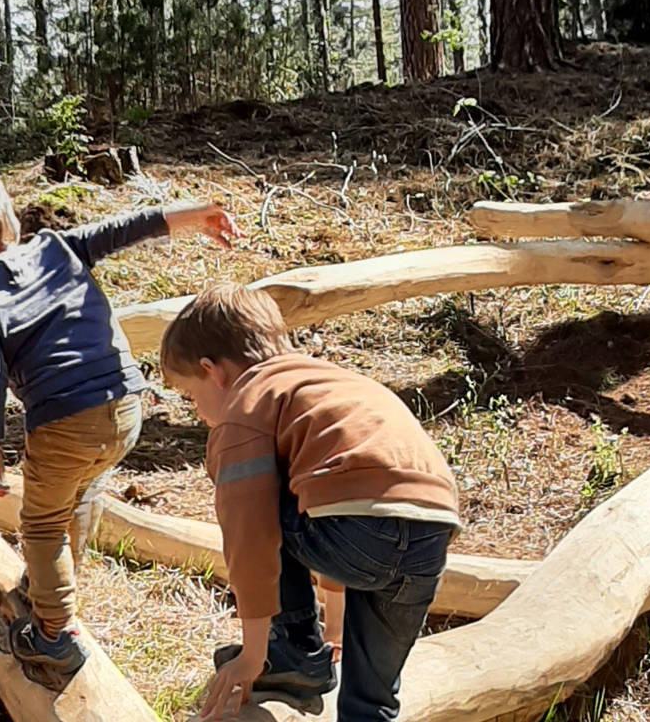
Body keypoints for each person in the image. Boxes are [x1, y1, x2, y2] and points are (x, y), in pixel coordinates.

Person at [0, 164, 238, 679]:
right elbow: (122, 229)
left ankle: (55, 634)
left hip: (65, 418)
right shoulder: (55, 248)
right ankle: (51, 588)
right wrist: (193, 214)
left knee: (41, 522)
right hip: (127, 405)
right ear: (12, 229)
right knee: (80, 495)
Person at [158, 284, 458, 722]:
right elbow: (349, 487)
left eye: (191, 396)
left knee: (255, 499)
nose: (200, 414)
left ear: (213, 371)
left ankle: (294, 654)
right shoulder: (331, 381)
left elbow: (252, 537)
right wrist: (334, 622)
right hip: (432, 526)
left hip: (358, 531)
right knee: (372, 703)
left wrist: (254, 653)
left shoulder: (247, 404)